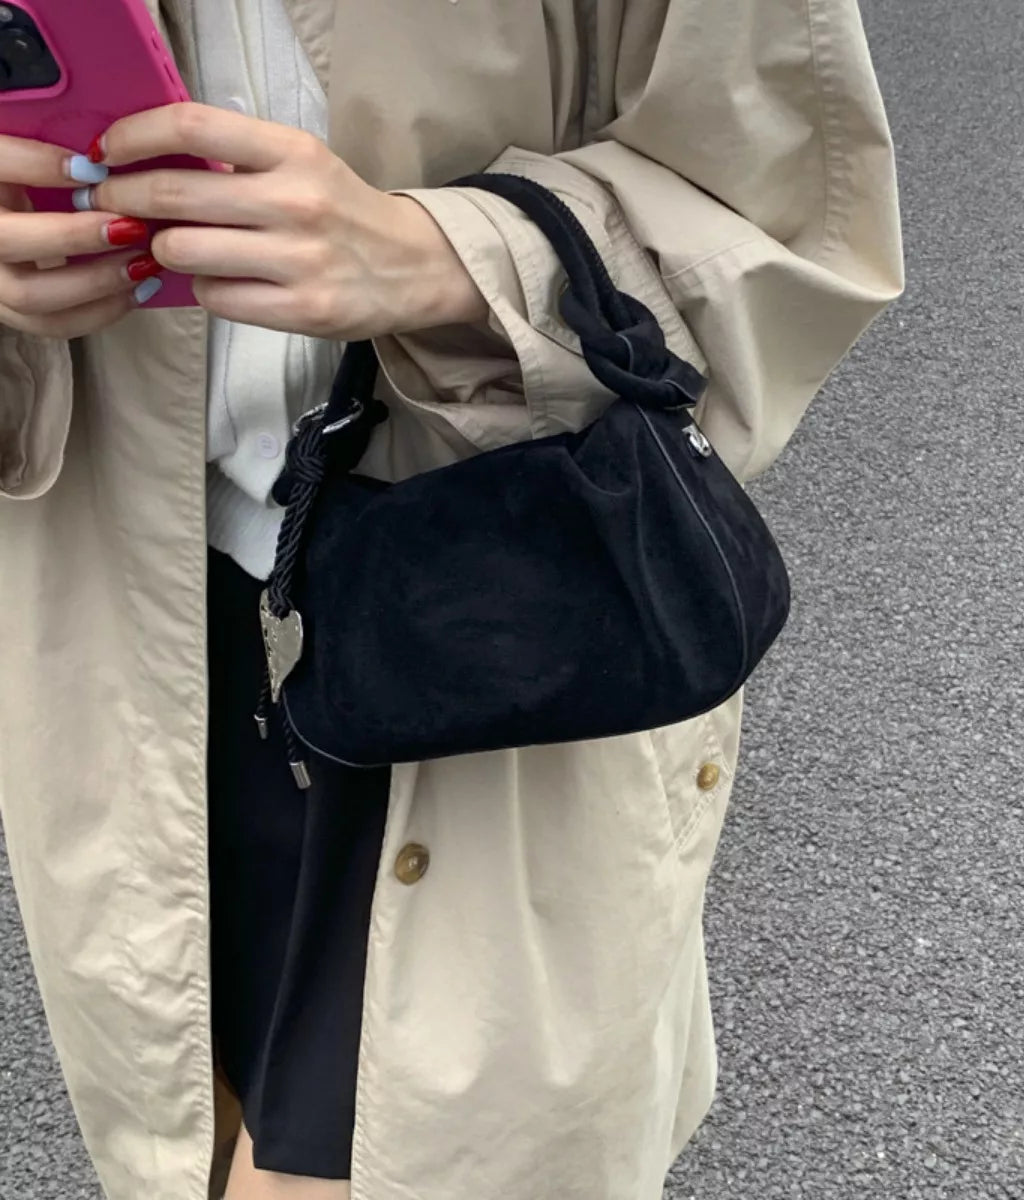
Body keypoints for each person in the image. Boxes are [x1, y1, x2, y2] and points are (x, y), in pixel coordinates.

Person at [0, 0, 903, 1197]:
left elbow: (785, 204)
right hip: (120, 624)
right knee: (185, 1125)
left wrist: (449, 254)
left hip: (488, 600)